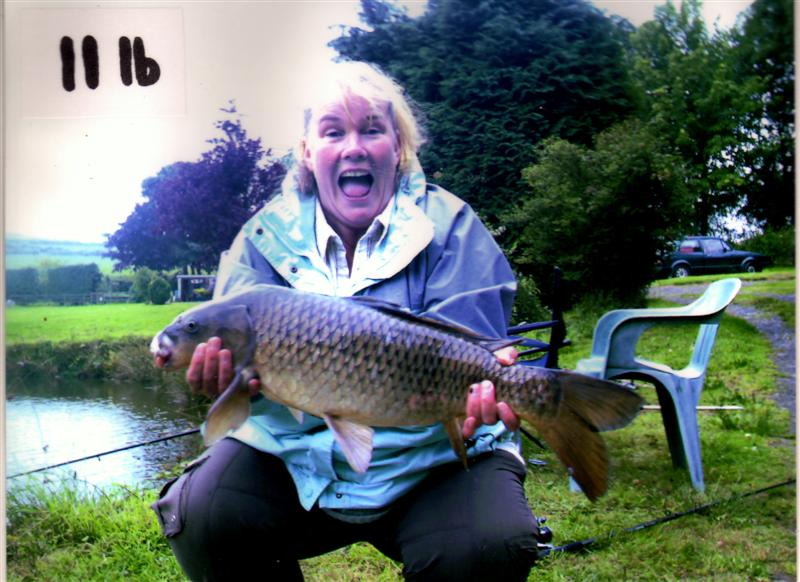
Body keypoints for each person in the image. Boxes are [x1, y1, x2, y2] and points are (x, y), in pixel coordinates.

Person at [152, 61, 541, 581]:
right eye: (333, 131)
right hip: (298, 459)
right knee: (201, 516)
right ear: (309, 152)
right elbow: (235, 394)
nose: (353, 147)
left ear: (399, 149)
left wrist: (487, 390)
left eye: (372, 129)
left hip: (433, 459)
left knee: (490, 544)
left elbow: (468, 354)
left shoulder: (451, 226)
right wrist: (226, 385)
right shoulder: (261, 239)